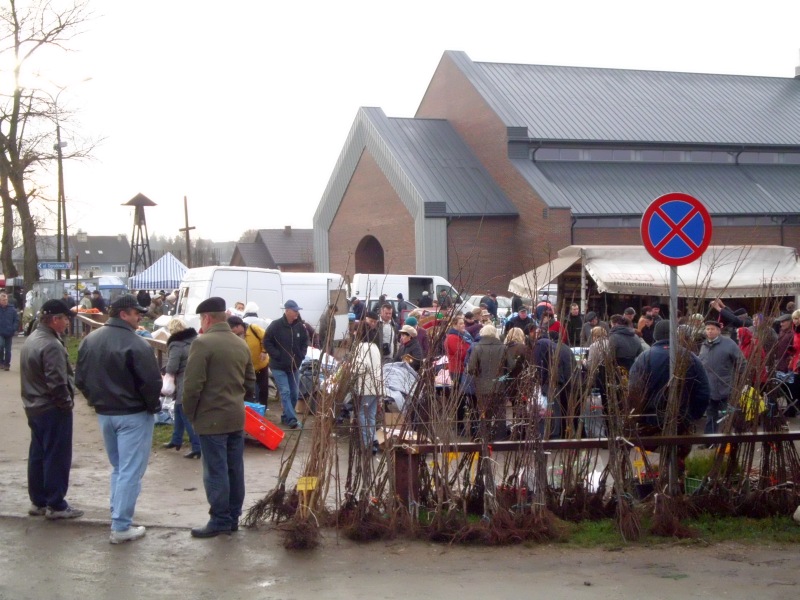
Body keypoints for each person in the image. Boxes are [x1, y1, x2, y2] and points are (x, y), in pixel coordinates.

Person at [75, 294, 162, 544]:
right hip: (133, 414)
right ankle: (121, 525)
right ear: (124, 314)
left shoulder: (89, 340)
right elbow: (152, 382)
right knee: (130, 471)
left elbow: (79, 379)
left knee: (119, 468)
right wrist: (150, 407)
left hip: (106, 413)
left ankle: (118, 516)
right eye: (136, 313)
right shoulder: (137, 344)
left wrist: (95, 401)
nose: (139, 317)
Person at [183, 297, 255, 538]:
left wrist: (190, 414)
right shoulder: (240, 343)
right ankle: (233, 517)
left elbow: (192, 386)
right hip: (236, 416)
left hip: (210, 418)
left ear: (207, 318)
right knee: (235, 469)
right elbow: (250, 381)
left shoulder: (202, 344)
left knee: (216, 471)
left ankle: (220, 520)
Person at [20, 299, 83, 520]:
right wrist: (66, 404)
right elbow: (56, 381)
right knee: (56, 456)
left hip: (34, 406)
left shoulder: (32, 340)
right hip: (51, 408)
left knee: (38, 455)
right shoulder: (51, 345)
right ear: (55, 319)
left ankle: (39, 500)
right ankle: (56, 504)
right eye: (65, 318)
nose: (67, 322)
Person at [628, 320, 710, 475]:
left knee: (652, 464)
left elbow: (633, 391)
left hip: (651, 423)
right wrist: (692, 415)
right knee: (676, 460)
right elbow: (704, 392)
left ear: (655, 335)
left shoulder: (644, 358)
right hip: (681, 421)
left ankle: (658, 484)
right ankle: (675, 484)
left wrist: (640, 418)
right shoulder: (690, 357)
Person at [264, 300, 308, 429]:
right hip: (278, 366)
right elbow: (266, 341)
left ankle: (286, 416)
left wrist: (301, 355)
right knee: (285, 391)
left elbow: (305, 342)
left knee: (294, 393)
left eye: (297, 311)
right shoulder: (275, 325)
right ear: (287, 310)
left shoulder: (299, 327)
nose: (296, 313)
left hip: (294, 365)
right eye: (294, 310)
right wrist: (276, 355)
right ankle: (292, 419)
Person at [162, 317, 201, 458]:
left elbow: (172, 366)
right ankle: (176, 439)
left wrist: (164, 371)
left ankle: (197, 446)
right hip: (196, 377)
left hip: (182, 380)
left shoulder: (176, 344)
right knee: (179, 409)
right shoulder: (195, 340)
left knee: (184, 412)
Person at [699, 320, 745, 434]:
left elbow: (741, 362)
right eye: (708, 329)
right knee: (711, 416)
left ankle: (739, 437)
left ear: (719, 331)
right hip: (709, 388)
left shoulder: (729, 344)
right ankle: (710, 442)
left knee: (730, 415)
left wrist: (740, 381)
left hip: (726, 387)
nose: (709, 331)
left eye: (712, 329)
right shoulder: (704, 345)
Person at [467, 323, 507, 440]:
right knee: (500, 413)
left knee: (484, 413)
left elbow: (471, 368)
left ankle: (485, 437)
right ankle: (501, 438)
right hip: (499, 385)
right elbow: (511, 366)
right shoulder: (503, 348)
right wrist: (502, 377)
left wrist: (478, 376)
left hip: (482, 386)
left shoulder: (478, 348)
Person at [351, 327, 383, 454]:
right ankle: (373, 440)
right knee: (371, 415)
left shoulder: (361, 347)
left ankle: (367, 443)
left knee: (362, 414)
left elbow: (363, 366)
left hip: (366, 387)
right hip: (377, 385)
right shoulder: (375, 347)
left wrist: (352, 368)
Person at [227, 315, 270, 406]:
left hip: (260, 364)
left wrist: (264, 351)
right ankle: (249, 408)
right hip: (246, 367)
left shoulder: (253, 328)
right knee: (248, 389)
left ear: (238, 326)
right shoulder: (233, 336)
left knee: (263, 389)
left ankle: (262, 409)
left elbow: (266, 338)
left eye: (233, 329)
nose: (232, 332)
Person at [445, 316, 473, 435]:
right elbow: (461, 353)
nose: (463, 326)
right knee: (459, 398)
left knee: (463, 397)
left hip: (462, 370)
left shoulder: (462, 336)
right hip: (457, 371)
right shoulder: (452, 338)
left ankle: (460, 425)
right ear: (454, 325)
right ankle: (458, 425)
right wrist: (471, 348)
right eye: (461, 323)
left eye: (464, 323)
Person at [0, 292, 20, 370]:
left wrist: (14, 328)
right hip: (0, 332)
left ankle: (7, 364)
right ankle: (1, 362)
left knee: (8, 350)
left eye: (6, 300)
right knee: (0, 346)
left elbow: (16, 320)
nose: (5, 301)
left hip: (9, 332)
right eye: (3, 300)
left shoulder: (12, 309)